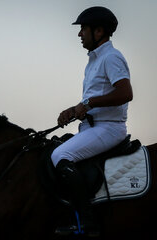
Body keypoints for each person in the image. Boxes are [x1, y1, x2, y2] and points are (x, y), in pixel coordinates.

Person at [51, 6, 133, 236]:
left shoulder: (111, 57)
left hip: (110, 128)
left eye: (83, 29)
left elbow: (126, 93)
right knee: (56, 148)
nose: (79, 34)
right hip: (92, 126)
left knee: (60, 155)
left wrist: (88, 105)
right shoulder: (94, 62)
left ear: (98, 31)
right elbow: (94, 98)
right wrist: (74, 109)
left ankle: (87, 222)